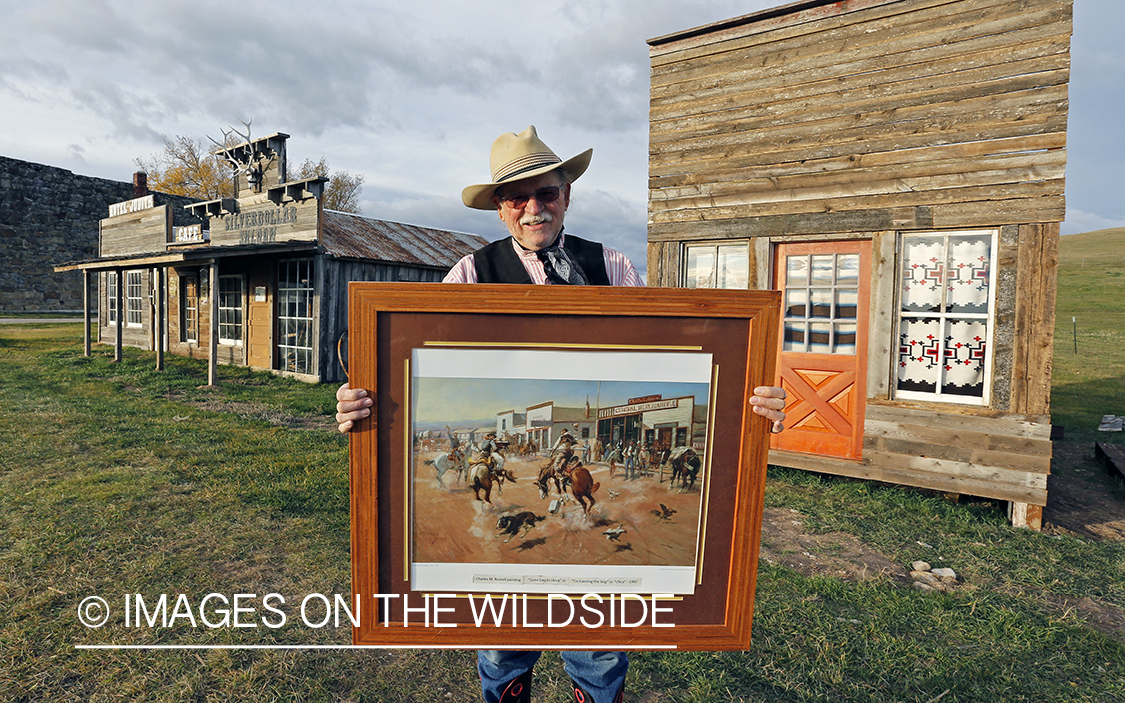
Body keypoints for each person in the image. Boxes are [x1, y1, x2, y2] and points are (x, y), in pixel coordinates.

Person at [335, 126, 787, 703]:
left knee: (599, 651)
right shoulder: (468, 275)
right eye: (516, 197)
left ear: (567, 194)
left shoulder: (613, 265)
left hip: (593, 583)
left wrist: (746, 403)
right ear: (499, 209)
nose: (532, 207)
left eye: (545, 193)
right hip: (505, 569)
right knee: (500, 645)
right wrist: (363, 405)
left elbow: (670, 353)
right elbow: (412, 365)